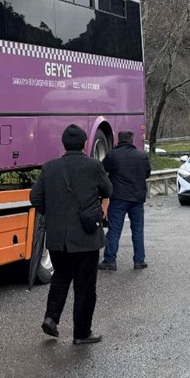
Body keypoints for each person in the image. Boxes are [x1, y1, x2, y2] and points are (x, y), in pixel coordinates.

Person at [31, 124, 113, 345]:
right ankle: (82, 333)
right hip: (85, 238)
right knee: (85, 287)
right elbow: (108, 190)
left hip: (58, 238)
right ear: (85, 144)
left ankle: (51, 318)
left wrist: (54, 213)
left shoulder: (49, 168)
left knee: (60, 277)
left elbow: (35, 199)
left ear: (64, 144)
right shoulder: (94, 166)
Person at [100, 130, 151, 270]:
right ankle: (139, 260)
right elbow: (147, 173)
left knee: (114, 229)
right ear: (132, 140)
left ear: (119, 139)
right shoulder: (142, 156)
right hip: (137, 198)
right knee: (138, 230)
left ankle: (110, 260)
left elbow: (102, 170)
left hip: (118, 197)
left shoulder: (112, 155)